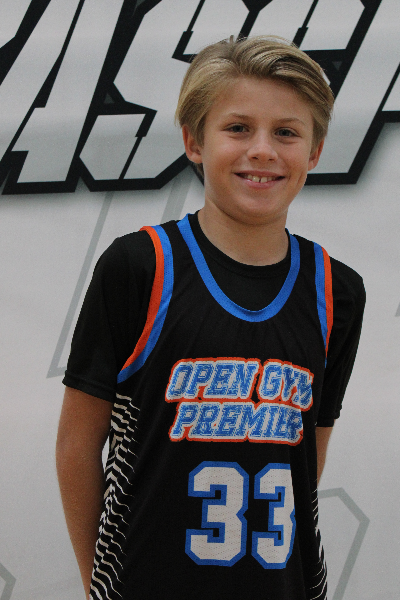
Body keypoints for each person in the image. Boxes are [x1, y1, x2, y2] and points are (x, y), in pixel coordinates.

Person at [56, 36, 365, 600]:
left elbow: (306, 456)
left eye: (287, 132)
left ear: (315, 151)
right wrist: (99, 584)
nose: (263, 151)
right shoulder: (139, 267)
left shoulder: (336, 291)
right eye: (238, 128)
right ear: (194, 141)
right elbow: (78, 446)